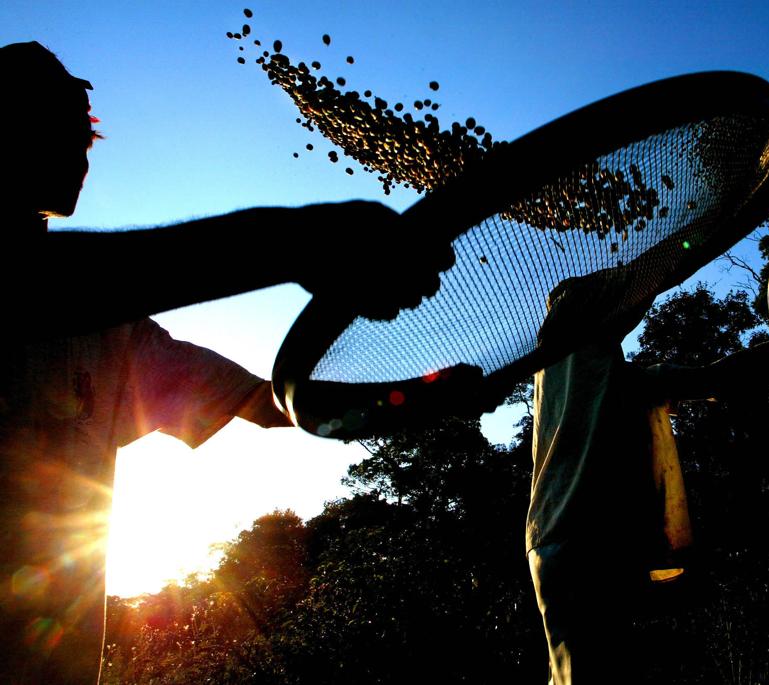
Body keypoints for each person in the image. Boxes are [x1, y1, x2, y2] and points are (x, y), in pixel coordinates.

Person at [0, 41, 451, 684]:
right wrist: (290, 239)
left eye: (84, 138)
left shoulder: (119, 336)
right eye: (49, 126)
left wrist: (416, 395)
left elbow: (267, 404)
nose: (77, 155)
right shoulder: (66, 292)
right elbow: (34, 289)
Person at [527, 272, 769, 684]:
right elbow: (716, 376)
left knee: (574, 670)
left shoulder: (555, 374)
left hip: (554, 541)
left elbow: (711, 379)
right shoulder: (597, 371)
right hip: (585, 539)